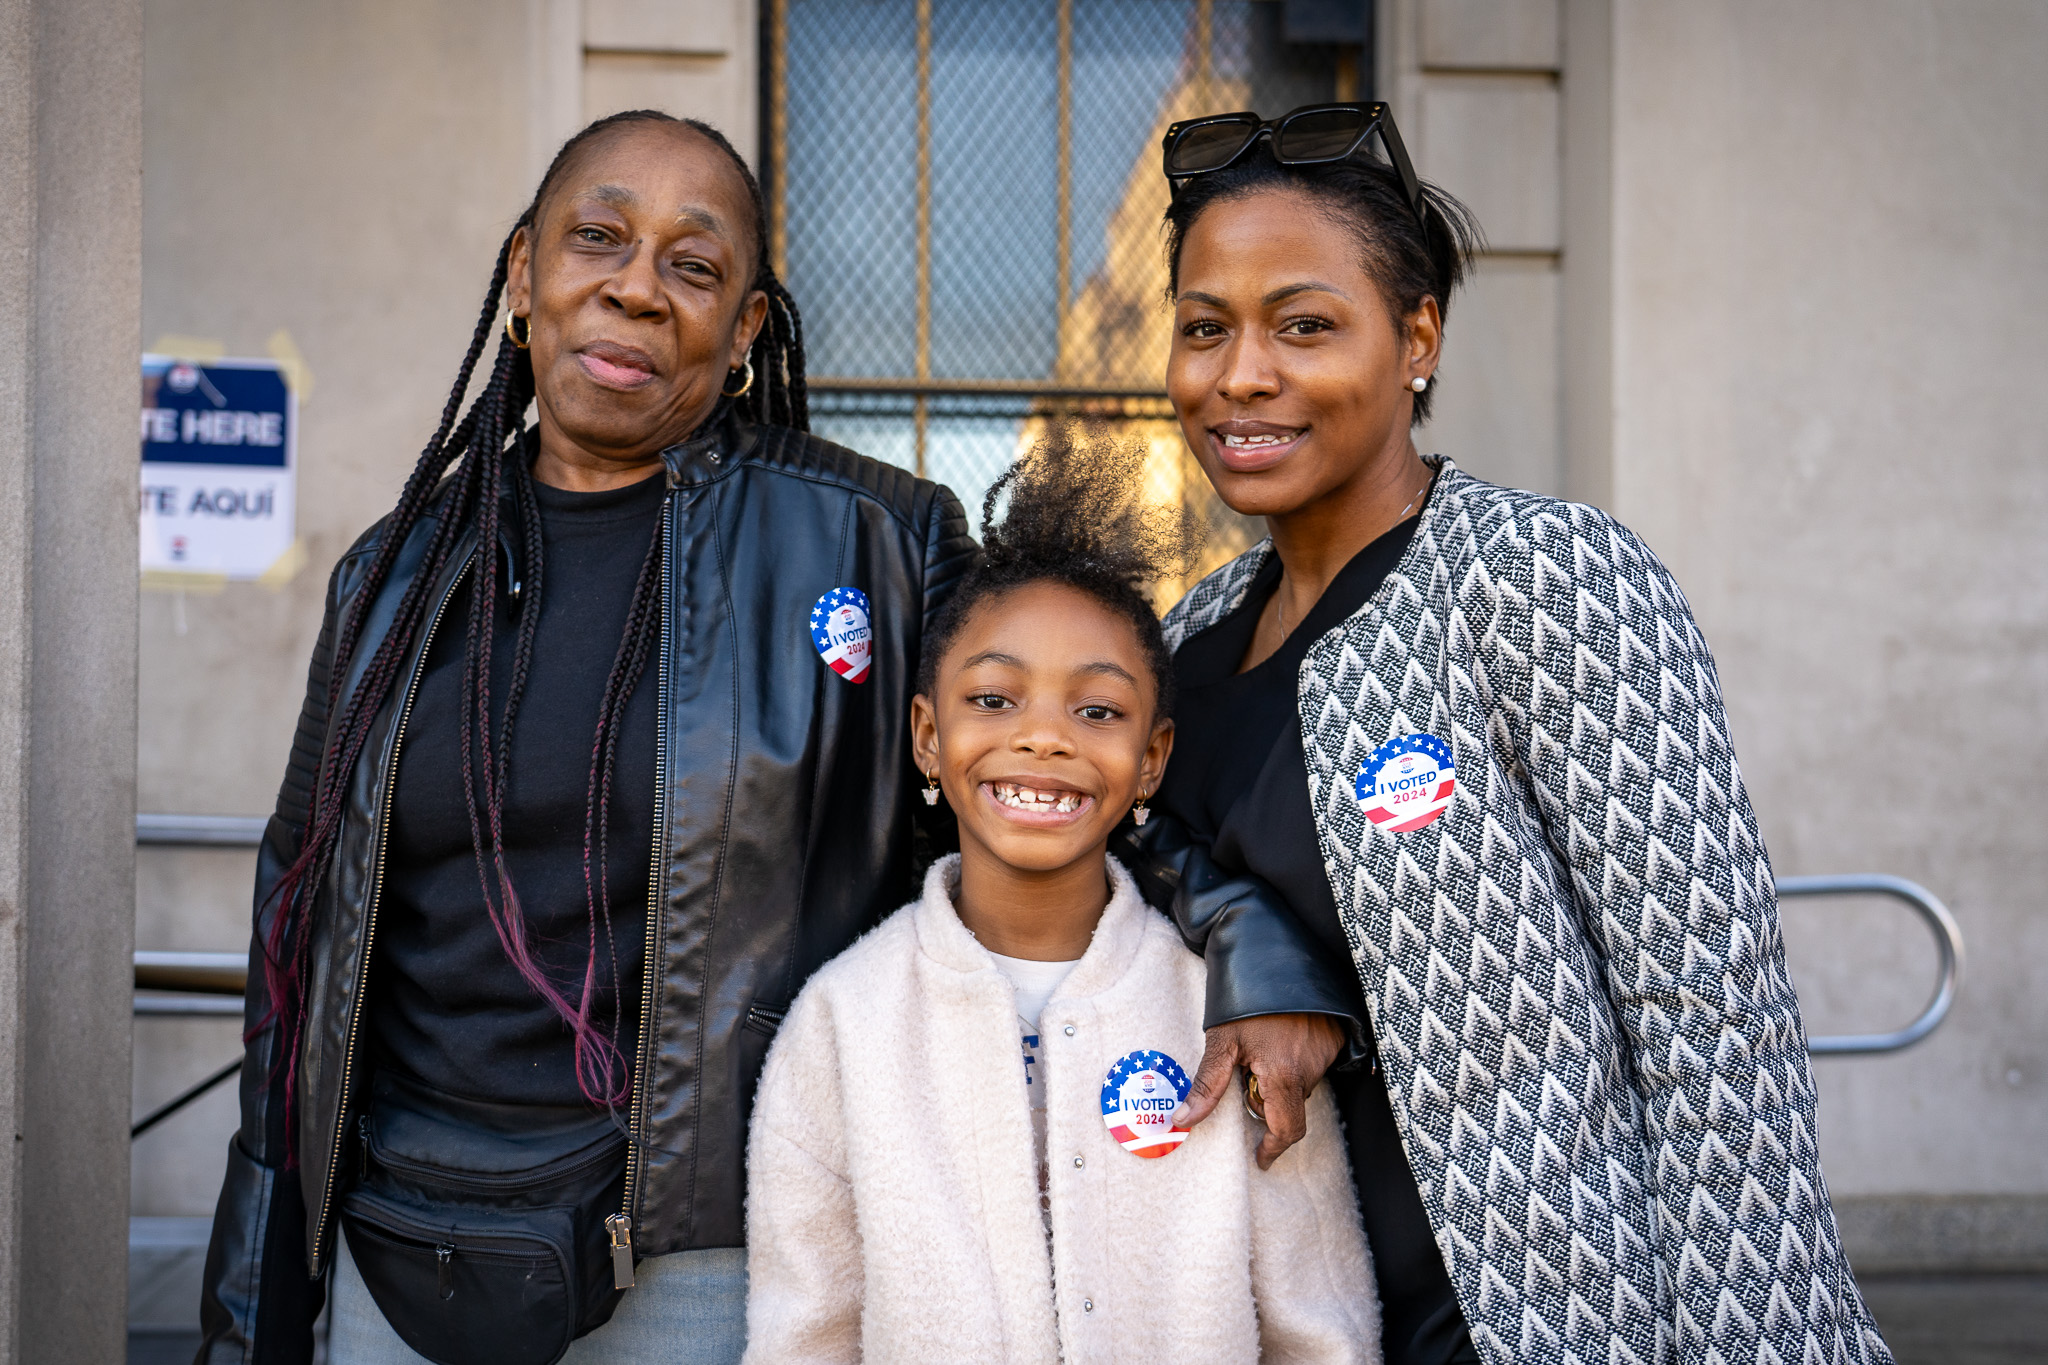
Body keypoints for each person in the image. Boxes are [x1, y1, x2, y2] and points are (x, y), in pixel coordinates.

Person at [193, 109, 978, 1365]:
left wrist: (1243, 956)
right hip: (396, 1249)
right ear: (522, 277)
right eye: (597, 238)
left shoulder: (878, 546)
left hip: (713, 1255)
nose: (635, 287)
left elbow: (1058, 815)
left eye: (694, 264)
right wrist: (250, 1312)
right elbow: (293, 948)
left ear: (745, 332)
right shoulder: (391, 577)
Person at [1138, 102, 1893, 1364]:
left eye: (1305, 325)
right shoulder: (1188, 635)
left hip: (1532, 1317)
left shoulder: (1545, 575)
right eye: (1204, 328)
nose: (1241, 376)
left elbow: (1708, 1020)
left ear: (1416, 336)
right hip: (1277, 1318)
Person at [742, 431, 1381, 1364]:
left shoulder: (1230, 1016)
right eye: (995, 699)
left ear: (1153, 757)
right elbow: (805, 1339)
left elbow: (1322, 1329)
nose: (1044, 737)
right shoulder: (841, 1023)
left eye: (1097, 709)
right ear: (927, 735)